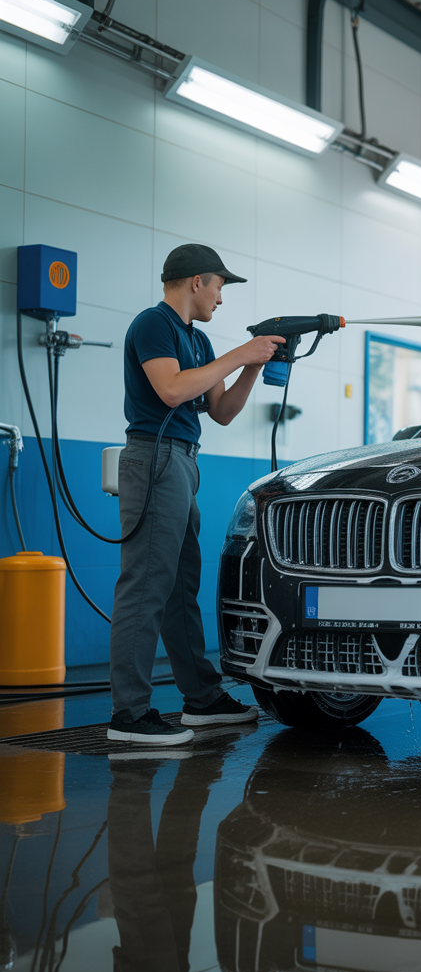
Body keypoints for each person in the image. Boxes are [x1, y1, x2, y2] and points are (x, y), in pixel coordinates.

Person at [107, 244, 284, 745]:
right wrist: (239, 354)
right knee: (146, 584)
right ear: (197, 281)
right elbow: (169, 390)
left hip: (185, 460)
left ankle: (202, 699)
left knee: (182, 587)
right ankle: (129, 716)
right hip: (154, 457)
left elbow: (222, 410)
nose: (222, 299)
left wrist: (253, 365)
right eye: (221, 286)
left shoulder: (199, 341)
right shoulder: (153, 324)